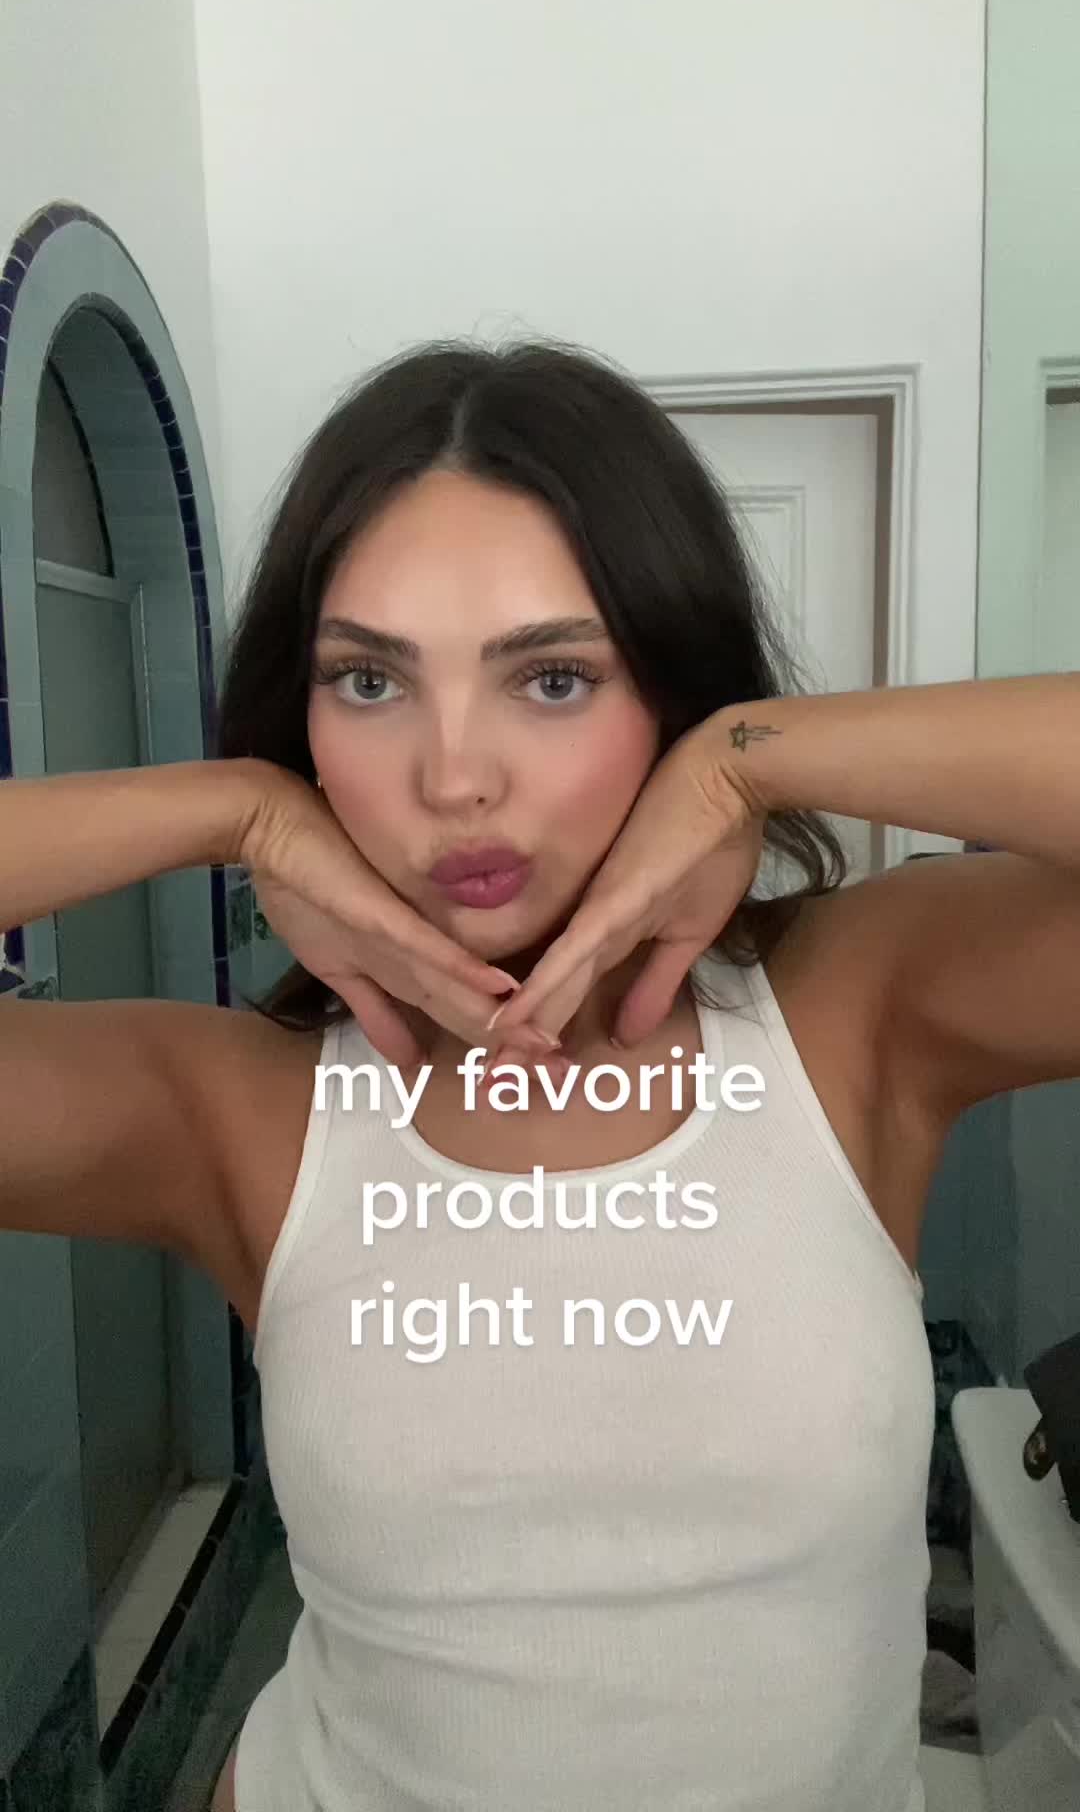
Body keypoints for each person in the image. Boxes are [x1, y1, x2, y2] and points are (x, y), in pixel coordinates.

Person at [3, 339, 1079, 1812]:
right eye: (368, 680)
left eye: (555, 678)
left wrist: (753, 759)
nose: (455, 777)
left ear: (669, 688)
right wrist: (228, 812)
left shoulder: (854, 1013)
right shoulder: (241, 1112)